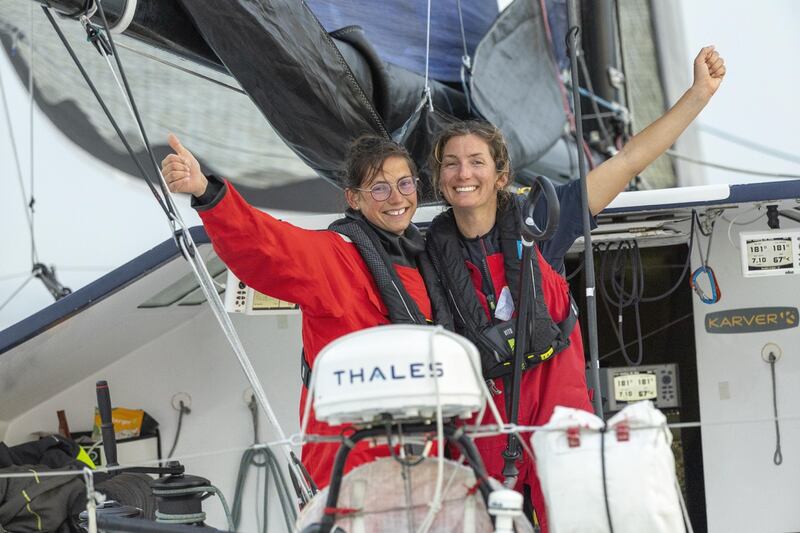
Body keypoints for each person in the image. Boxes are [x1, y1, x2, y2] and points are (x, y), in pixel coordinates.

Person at [425, 46, 725, 531]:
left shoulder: (541, 218)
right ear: (439, 180)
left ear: (501, 175)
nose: (464, 174)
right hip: (480, 426)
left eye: (476, 161)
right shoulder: (428, 253)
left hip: (556, 421)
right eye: (452, 164)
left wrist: (697, 96)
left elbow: (627, 161)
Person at [161, 134, 453, 489]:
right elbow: (265, 245)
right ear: (354, 199)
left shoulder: (433, 259)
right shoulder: (334, 257)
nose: (396, 198)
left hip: (426, 448)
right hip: (349, 457)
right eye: (379, 188)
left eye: (405, 183)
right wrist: (207, 192)